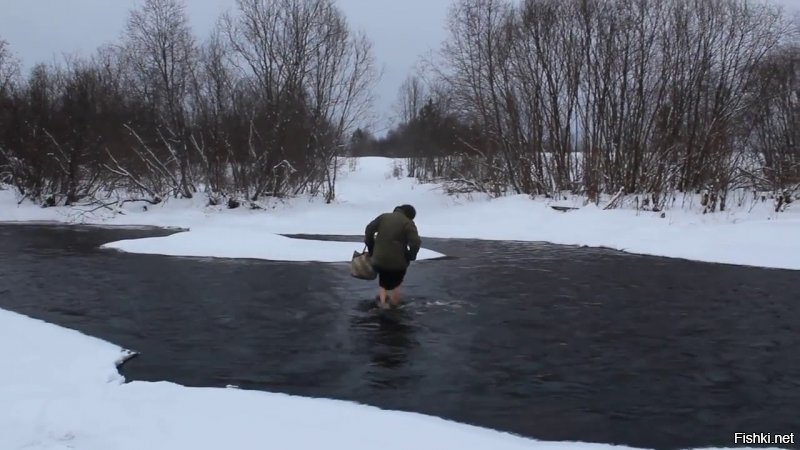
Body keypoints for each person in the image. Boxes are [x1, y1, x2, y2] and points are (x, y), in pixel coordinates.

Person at [364, 204, 421, 309]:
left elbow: (369, 230)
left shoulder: (384, 217)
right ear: (410, 215)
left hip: (379, 259)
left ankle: (382, 303)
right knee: (396, 283)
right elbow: (416, 242)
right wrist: (410, 255)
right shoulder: (407, 222)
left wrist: (371, 247)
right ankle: (394, 306)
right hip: (398, 262)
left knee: (383, 281)